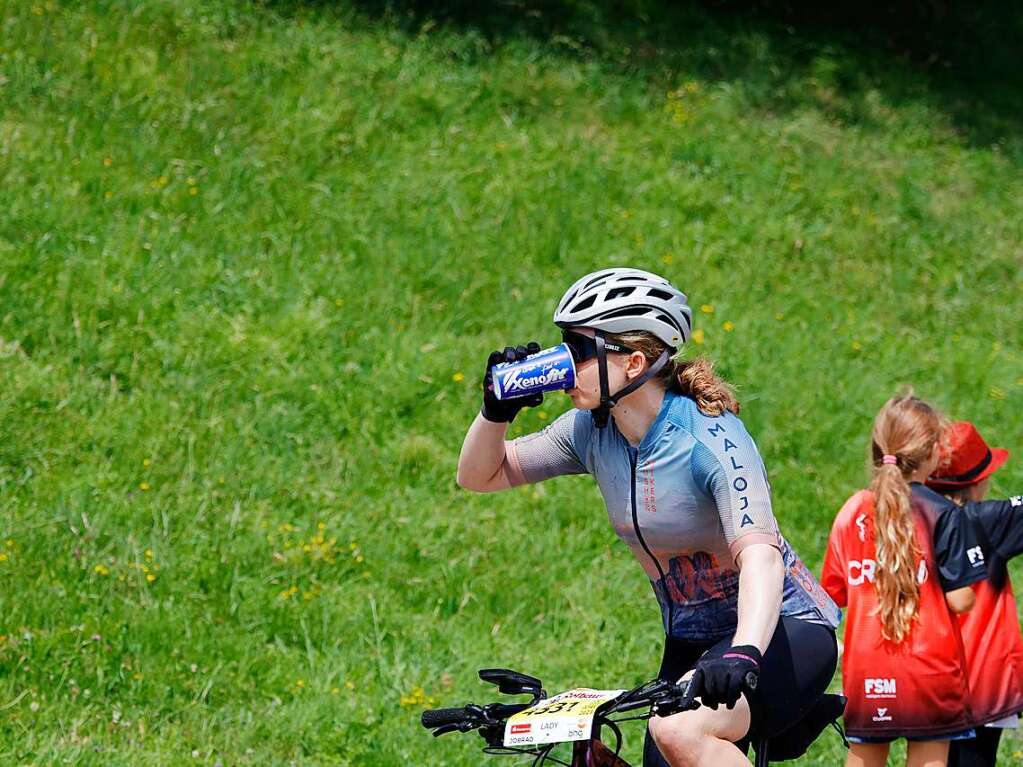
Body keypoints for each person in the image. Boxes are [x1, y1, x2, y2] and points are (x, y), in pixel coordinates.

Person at [457, 268, 841, 767]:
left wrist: (744, 650)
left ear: (633, 361)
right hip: (693, 644)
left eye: (579, 349)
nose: (565, 365)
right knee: (649, 745)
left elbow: (761, 557)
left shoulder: (710, 437)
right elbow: (480, 475)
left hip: (780, 632)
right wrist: (495, 410)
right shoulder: (590, 431)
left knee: (678, 732)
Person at [820, 395, 988, 767]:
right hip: (931, 670)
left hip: (868, 669)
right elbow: (961, 600)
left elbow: (834, 592)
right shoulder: (944, 513)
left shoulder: (853, 511)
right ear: (931, 454)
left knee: (864, 757)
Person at [927, 421, 1023, 767]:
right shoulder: (989, 519)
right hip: (984, 680)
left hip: (930, 677)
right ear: (979, 481)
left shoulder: (917, 516)